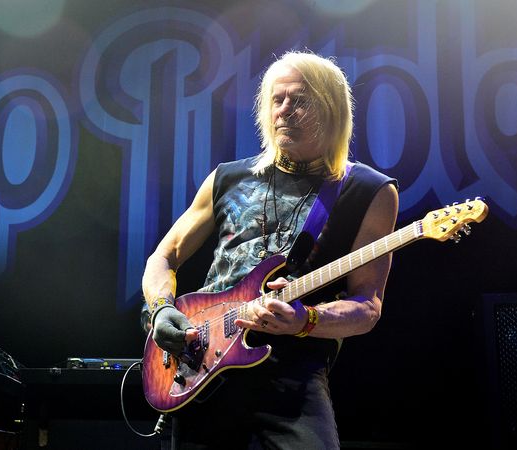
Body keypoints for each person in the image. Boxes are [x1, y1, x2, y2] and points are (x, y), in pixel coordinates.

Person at [140, 50, 399, 449]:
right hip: (203, 366)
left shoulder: (368, 190)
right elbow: (165, 255)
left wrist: (305, 319)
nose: (285, 111)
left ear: (331, 109)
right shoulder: (228, 177)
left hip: (293, 376)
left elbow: (368, 305)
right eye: (277, 100)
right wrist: (161, 309)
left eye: (300, 100)